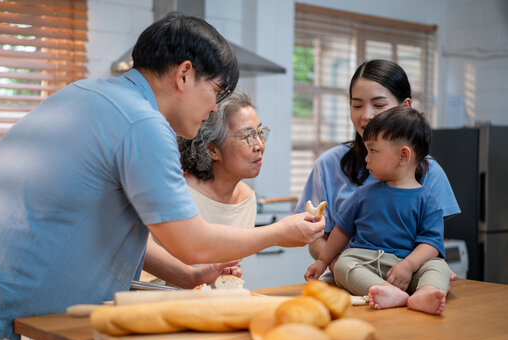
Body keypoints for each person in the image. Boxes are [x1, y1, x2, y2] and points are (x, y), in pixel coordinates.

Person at [0, 12, 325, 340]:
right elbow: (193, 242)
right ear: (184, 74)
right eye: (215, 91)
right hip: (13, 318)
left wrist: (188, 276)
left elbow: (107, 224)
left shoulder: (88, 94)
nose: (215, 109)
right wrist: (279, 232)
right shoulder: (143, 124)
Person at [295, 59, 460, 270]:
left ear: (405, 107)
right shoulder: (328, 165)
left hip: (407, 282)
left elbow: (431, 240)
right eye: (357, 105)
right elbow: (316, 238)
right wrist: (342, 268)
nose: (366, 115)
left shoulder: (430, 172)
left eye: (379, 105)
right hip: (348, 281)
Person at [305, 106, 450, 315]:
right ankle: (387, 291)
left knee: (439, 267)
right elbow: (341, 232)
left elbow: (431, 244)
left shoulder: (427, 201)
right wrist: (322, 261)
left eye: (373, 150)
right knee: (343, 264)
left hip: (407, 267)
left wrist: (408, 266)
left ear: (403, 156)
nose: (366, 158)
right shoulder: (363, 194)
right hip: (366, 262)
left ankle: (425, 293)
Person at [143, 87, 266, 285]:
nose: (260, 144)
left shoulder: (247, 199)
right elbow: (146, 250)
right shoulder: (177, 192)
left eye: (260, 133)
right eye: (247, 136)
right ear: (212, 149)